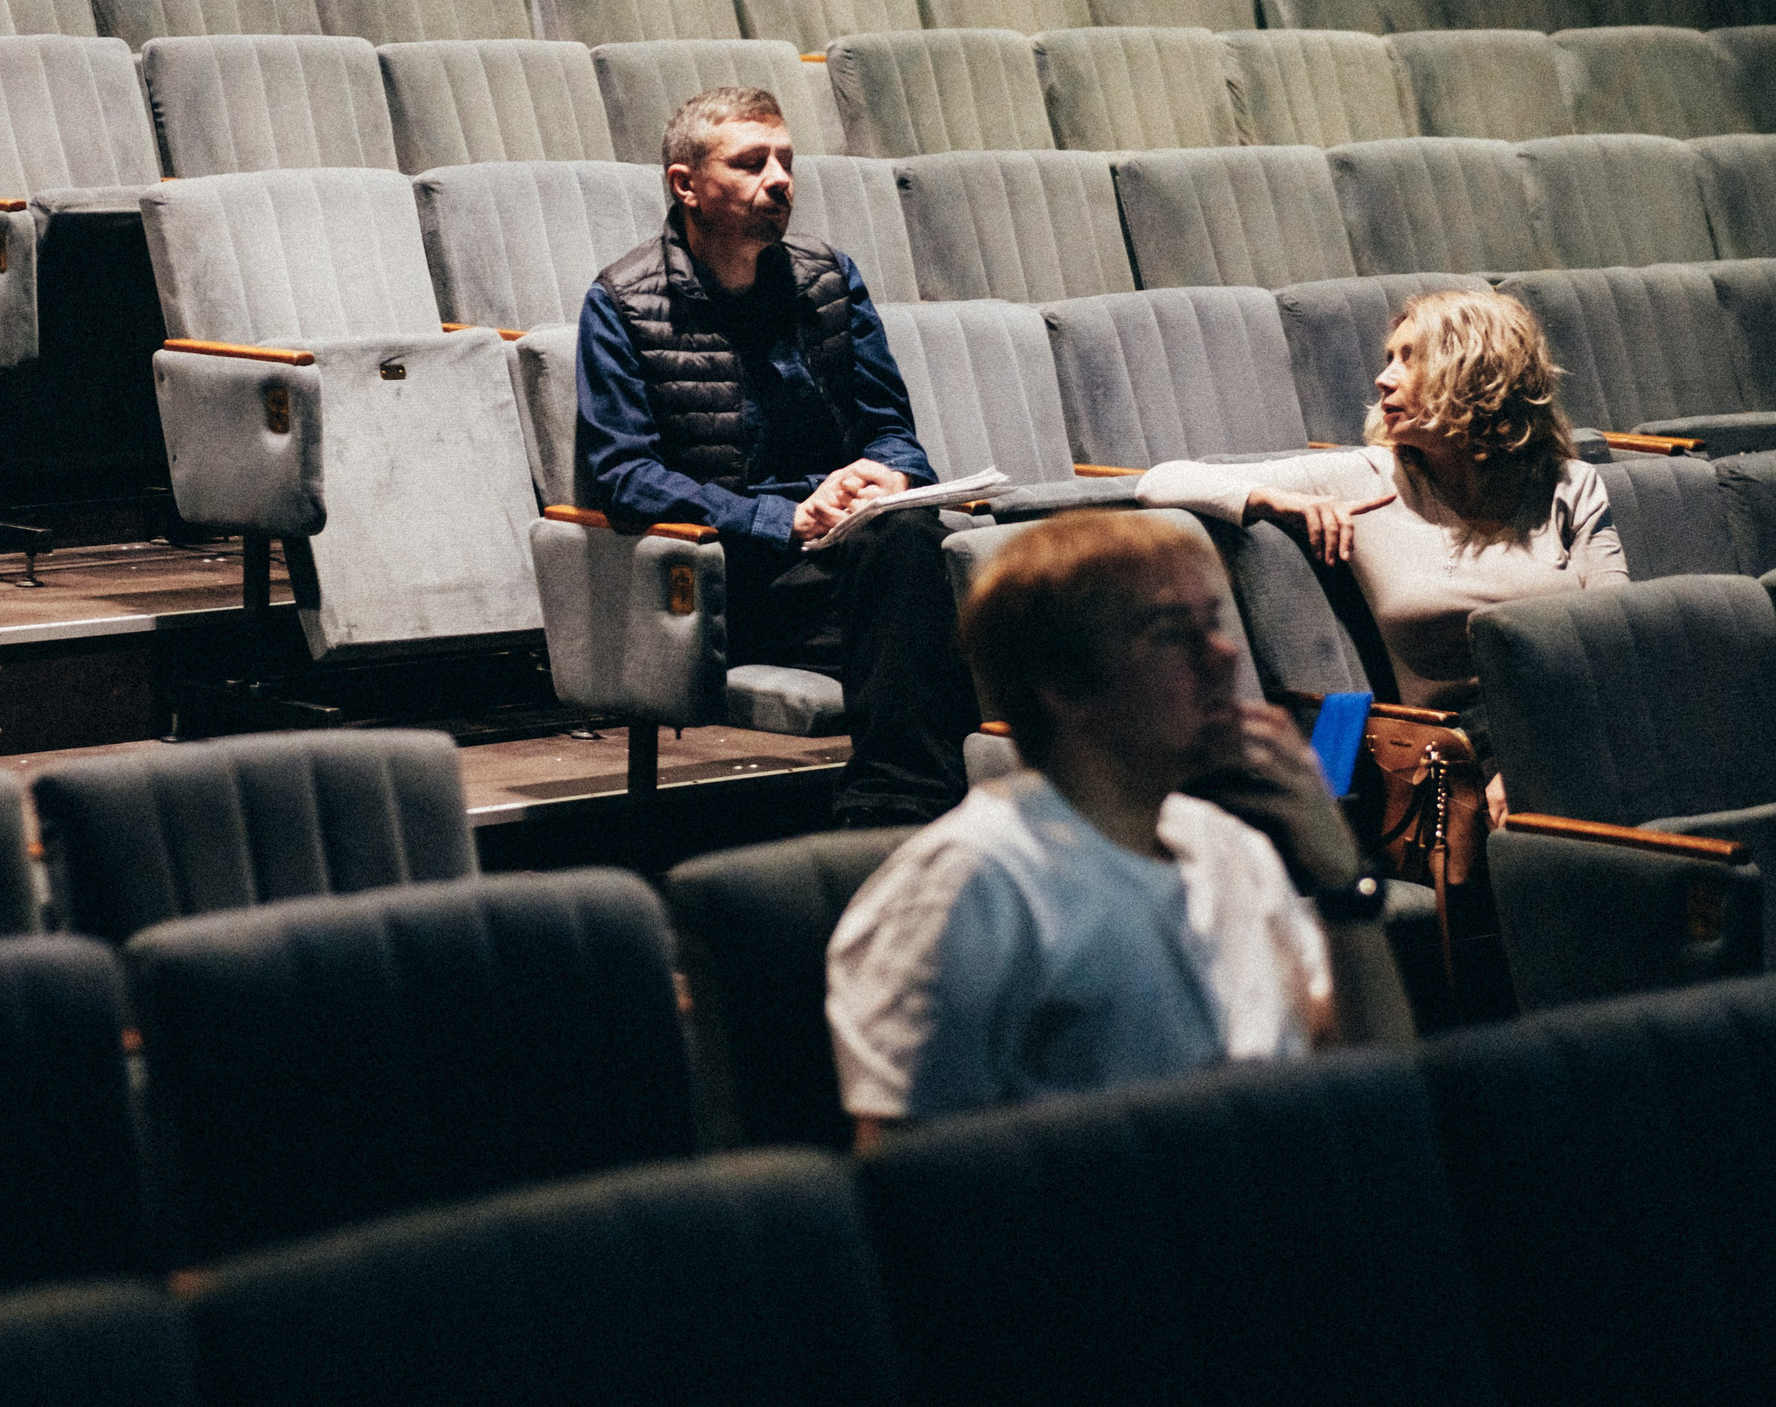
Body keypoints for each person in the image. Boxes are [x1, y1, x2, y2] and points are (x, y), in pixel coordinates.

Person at [827, 510, 1414, 1142]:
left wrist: (1343, 879)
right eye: (1171, 633)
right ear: (1064, 684)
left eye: (1213, 623)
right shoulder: (969, 886)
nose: (1222, 655)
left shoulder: (1229, 844)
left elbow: (1372, 1079)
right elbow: (913, 1185)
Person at [576, 87, 978, 824]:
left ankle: (904, 803)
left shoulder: (830, 280)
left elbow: (891, 428)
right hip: (732, 576)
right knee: (941, 592)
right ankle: (901, 806)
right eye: (752, 162)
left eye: (786, 160)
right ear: (685, 185)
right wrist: (782, 517)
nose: (781, 179)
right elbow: (621, 475)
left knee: (987, 566)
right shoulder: (622, 303)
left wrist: (886, 473)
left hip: (852, 554)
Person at [1135, 285, 1626, 823]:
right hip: (1452, 749)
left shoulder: (1569, 485)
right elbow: (1161, 481)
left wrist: (1535, 759)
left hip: (1576, 721)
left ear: (1475, 374)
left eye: (1410, 361)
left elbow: (1614, 638)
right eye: (1388, 359)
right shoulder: (1364, 477)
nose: (1383, 377)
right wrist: (1273, 499)